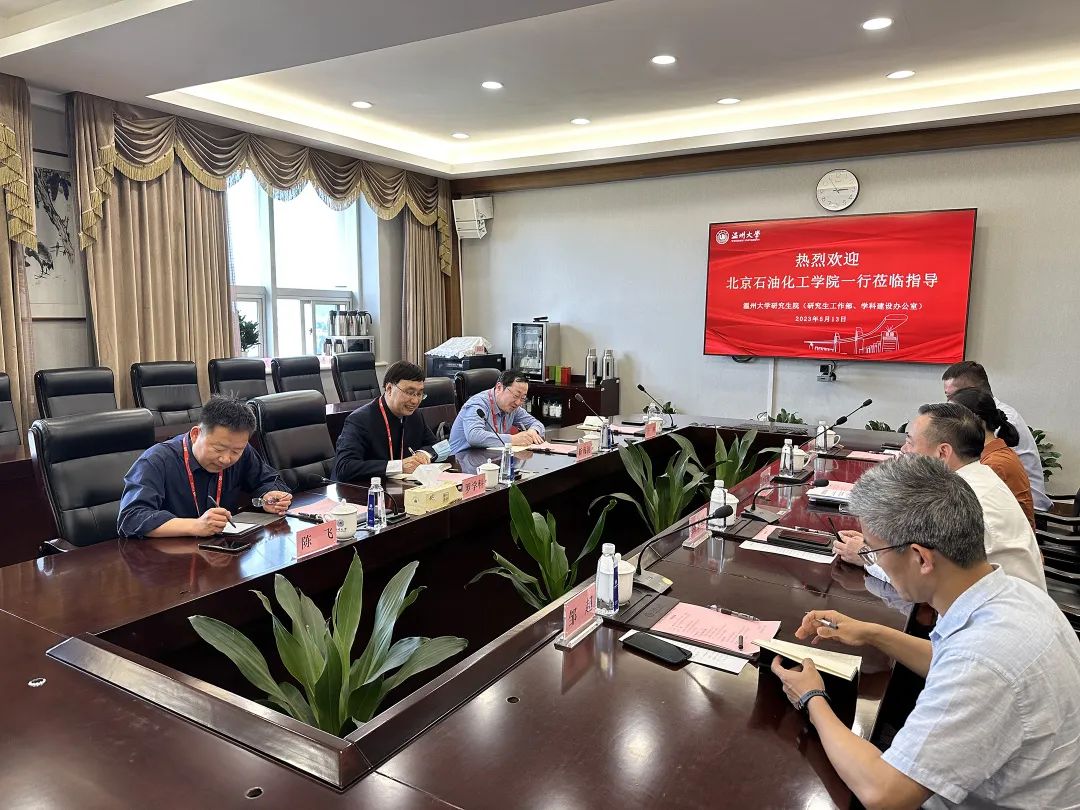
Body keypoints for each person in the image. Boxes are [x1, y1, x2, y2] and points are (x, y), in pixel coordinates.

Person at [772, 454, 1080, 810]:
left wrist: (812, 698)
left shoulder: (982, 661)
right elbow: (949, 661)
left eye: (874, 550)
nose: (873, 559)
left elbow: (885, 794)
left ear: (921, 558)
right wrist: (871, 633)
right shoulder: (1014, 593)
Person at [834, 403, 1046, 591]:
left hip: (1000, 613)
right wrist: (879, 545)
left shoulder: (962, 502)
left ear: (943, 452)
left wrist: (867, 556)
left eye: (910, 442)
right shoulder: (976, 476)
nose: (904, 450)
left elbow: (924, 579)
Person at [118, 395, 291, 538]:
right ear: (195, 434)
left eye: (236, 451)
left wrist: (270, 497)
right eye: (218, 449)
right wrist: (195, 525)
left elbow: (270, 480)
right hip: (167, 558)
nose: (226, 459)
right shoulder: (157, 460)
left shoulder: (243, 451)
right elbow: (131, 517)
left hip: (223, 552)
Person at [941, 361, 1050, 511]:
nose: (949, 406)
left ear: (972, 394)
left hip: (1025, 508)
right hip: (1001, 501)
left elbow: (968, 468)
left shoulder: (993, 425)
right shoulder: (992, 417)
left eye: (953, 397)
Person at [333, 361, 442, 482]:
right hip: (366, 489)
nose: (415, 401)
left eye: (420, 394)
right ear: (389, 389)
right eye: (410, 393)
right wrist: (399, 466)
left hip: (402, 487)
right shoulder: (359, 420)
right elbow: (344, 467)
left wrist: (423, 454)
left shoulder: (415, 416)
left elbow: (437, 446)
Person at [948, 386, 1035, 529]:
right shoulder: (988, 454)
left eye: (952, 421)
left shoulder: (995, 463)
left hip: (1007, 539)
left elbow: (965, 514)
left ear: (978, 421)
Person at [448, 369, 545, 454]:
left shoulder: (513, 407)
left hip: (491, 457)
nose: (518, 402)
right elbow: (474, 436)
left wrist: (533, 431)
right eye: (516, 396)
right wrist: (513, 439)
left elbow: (536, 423)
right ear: (499, 387)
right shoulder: (478, 404)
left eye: (523, 398)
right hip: (462, 461)